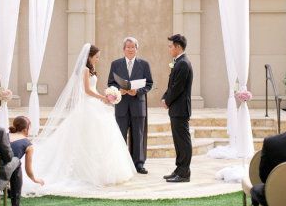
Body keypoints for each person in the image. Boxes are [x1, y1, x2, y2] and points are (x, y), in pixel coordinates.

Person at [23, 44, 135, 195]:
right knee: (88, 136)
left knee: (100, 136)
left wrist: (107, 95)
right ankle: (84, 171)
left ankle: (102, 170)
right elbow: (87, 90)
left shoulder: (91, 70)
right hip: (89, 105)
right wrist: (103, 97)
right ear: (89, 56)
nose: (98, 59)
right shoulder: (85, 70)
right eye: (96, 57)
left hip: (94, 104)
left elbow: (92, 89)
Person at [108, 37, 153, 174]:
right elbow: (110, 83)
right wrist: (118, 90)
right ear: (123, 49)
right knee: (120, 135)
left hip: (138, 105)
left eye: (133, 47)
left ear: (137, 49)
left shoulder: (144, 64)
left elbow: (149, 84)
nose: (130, 49)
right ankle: (121, 164)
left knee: (138, 135)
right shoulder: (115, 64)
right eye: (128, 47)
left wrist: (137, 91)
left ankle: (139, 164)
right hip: (121, 105)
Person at [162, 34, 193, 183]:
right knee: (178, 141)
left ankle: (184, 173)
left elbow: (178, 88)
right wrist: (165, 96)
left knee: (183, 142)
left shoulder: (183, 63)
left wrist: (167, 100)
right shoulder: (179, 62)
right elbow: (172, 84)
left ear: (178, 47)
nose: (169, 49)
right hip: (176, 109)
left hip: (180, 109)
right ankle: (179, 169)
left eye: (170, 46)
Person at [9, 116, 44, 186]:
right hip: (6, 172)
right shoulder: (28, 145)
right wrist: (35, 179)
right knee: (16, 162)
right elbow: (28, 169)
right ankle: (15, 196)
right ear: (25, 129)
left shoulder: (4, 135)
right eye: (29, 128)